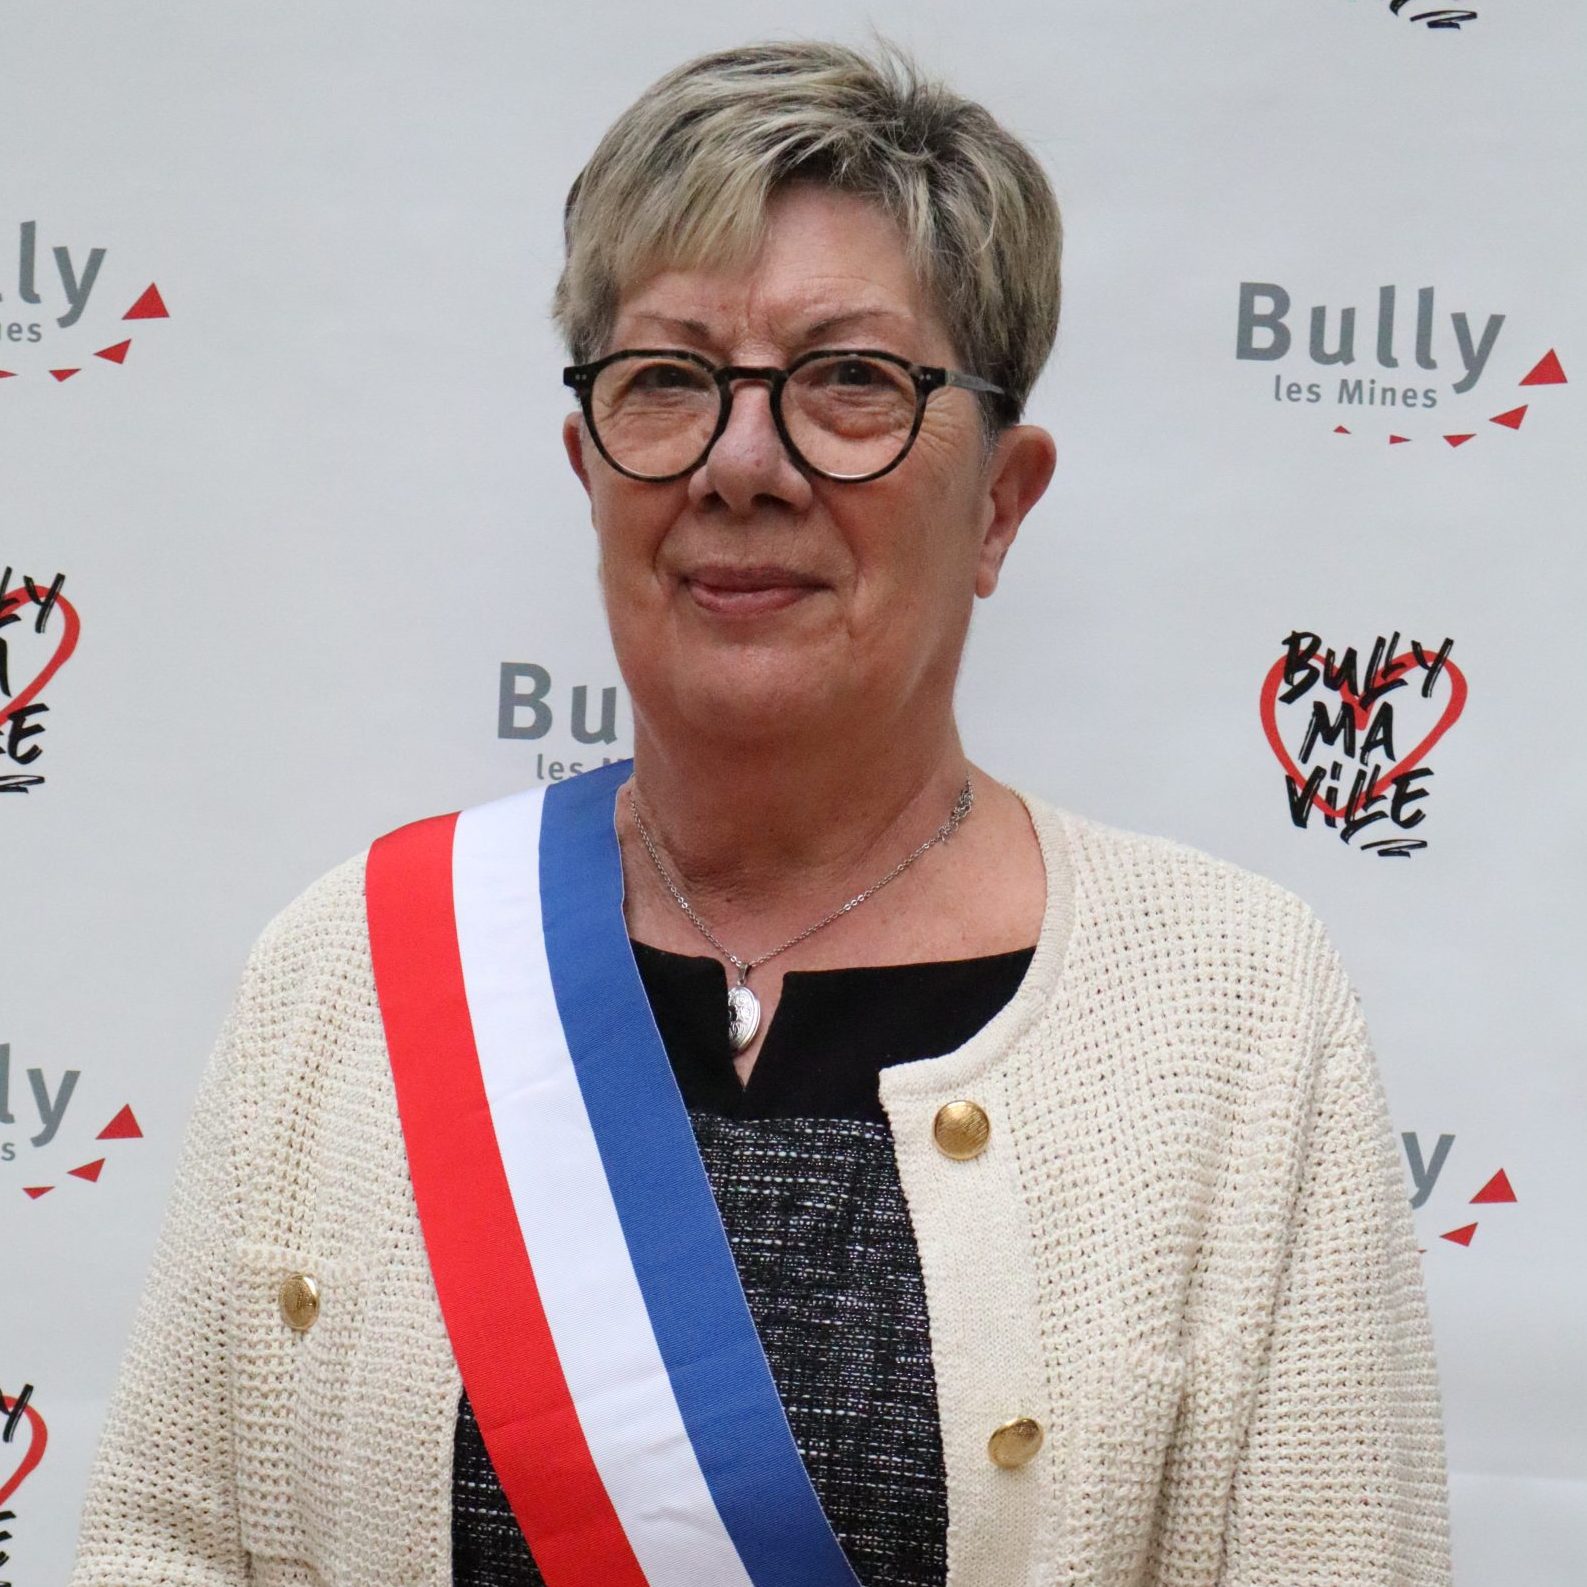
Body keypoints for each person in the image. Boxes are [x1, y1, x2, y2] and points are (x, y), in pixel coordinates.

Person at [69, 37, 1453, 1587]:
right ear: (590, 468)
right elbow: (167, 1548)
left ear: (1000, 504)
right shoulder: (348, 977)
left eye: (850, 381)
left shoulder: (1236, 1016)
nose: (740, 464)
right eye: (668, 382)